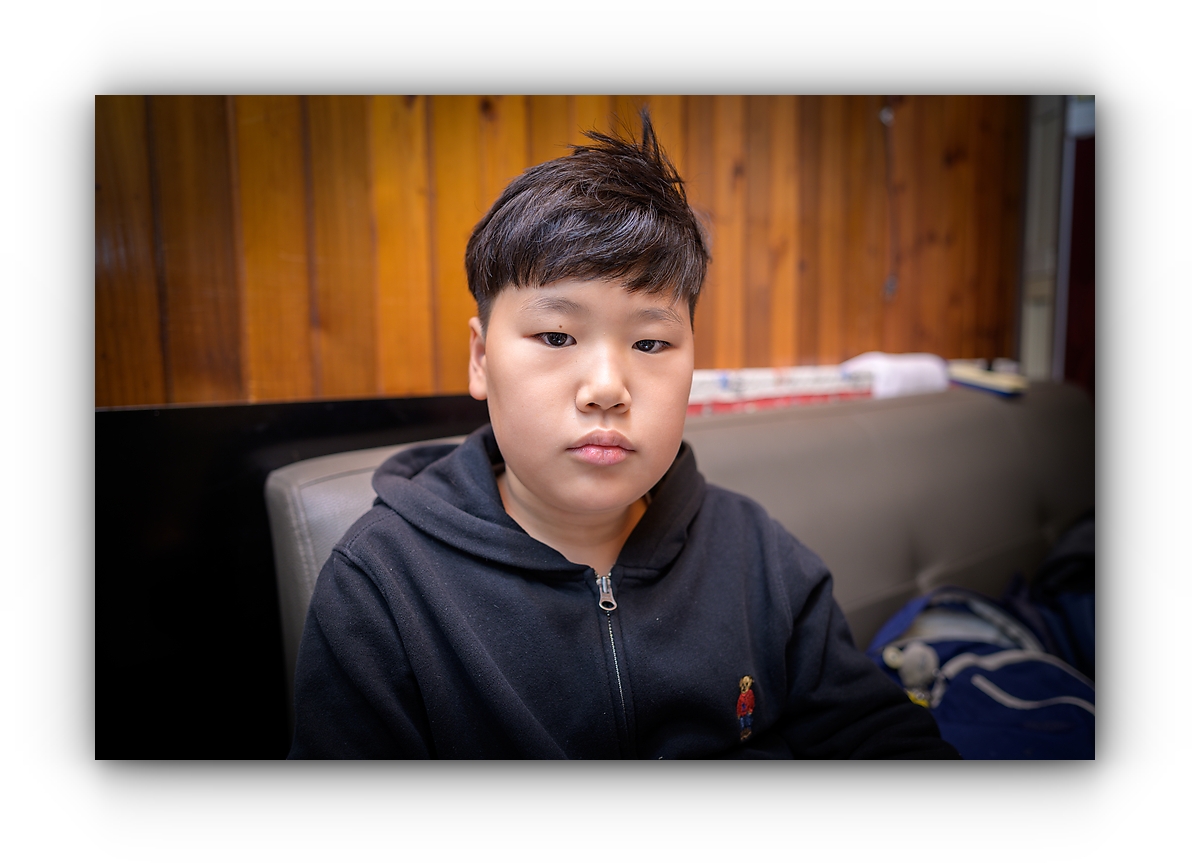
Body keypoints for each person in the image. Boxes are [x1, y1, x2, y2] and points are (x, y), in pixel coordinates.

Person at [288, 111, 960, 759]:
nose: (607, 388)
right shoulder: (382, 584)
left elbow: (874, 734)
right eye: (557, 336)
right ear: (481, 358)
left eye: (650, 342)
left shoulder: (758, 553)